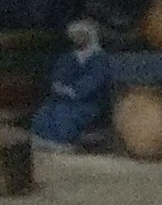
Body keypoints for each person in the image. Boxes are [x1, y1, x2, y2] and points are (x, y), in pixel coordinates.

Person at [31, 14, 122, 150]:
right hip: (63, 97)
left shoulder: (99, 58)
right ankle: (42, 139)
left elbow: (95, 79)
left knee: (65, 114)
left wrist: (75, 90)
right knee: (47, 111)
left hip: (88, 101)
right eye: (76, 36)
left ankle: (62, 142)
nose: (79, 39)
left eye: (82, 35)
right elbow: (59, 74)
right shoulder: (68, 57)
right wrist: (60, 86)